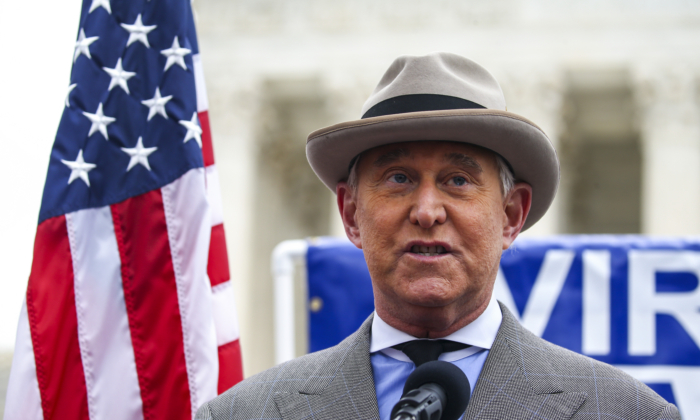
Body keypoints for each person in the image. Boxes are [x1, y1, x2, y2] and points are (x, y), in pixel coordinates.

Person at [196, 52, 680, 420]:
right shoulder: (244, 413)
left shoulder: (626, 412)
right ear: (350, 213)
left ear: (512, 215)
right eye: (399, 179)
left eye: (458, 180)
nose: (427, 212)